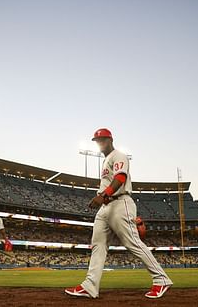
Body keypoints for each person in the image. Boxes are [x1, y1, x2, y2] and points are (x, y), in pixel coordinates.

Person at [65, 128, 173, 299]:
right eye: (97, 140)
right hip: (105, 207)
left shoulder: (118, 155)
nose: (99, 143)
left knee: (133, 243)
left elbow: (121, 178)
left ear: (110, 140)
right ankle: (90, 286)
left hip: (120, 202)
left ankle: (161, 279)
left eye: (102, 139)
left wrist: (103, 195)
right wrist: (103, 198)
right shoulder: (106, 160)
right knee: (98, 245)